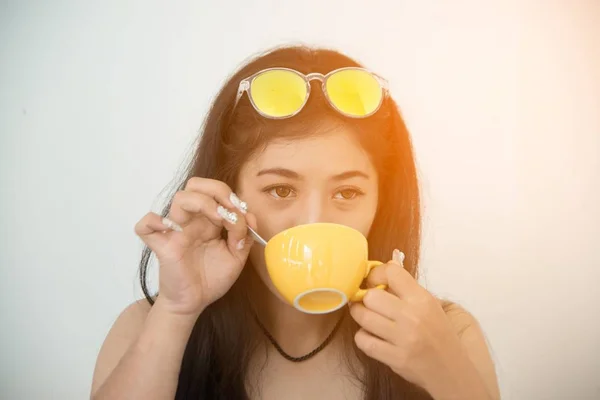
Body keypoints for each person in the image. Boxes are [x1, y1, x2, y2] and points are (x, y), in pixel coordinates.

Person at [91, 45, 500, 400]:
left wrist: (451, 379)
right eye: (281, 191)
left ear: (382, 201)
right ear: (228, 197)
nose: (313, 221)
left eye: (347, 193)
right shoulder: (149, 326)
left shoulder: (446, 336)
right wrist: (177, 313)